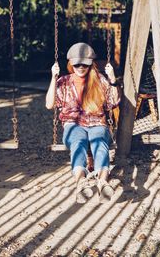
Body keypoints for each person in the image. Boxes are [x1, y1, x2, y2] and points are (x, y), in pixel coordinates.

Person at [46, 42, 121, 203]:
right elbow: (49, 104)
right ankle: (80, 183)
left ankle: (102, 181)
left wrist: (113, 79)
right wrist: (53, 78)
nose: (81, 67)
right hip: (73, 124)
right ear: (71, 64)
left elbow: (113, 102)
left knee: (100, 141)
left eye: (84, 64)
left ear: (91, 64)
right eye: (77, 64)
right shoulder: (64, 81)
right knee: (78, 142)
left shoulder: (100, 80)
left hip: (97, 122)